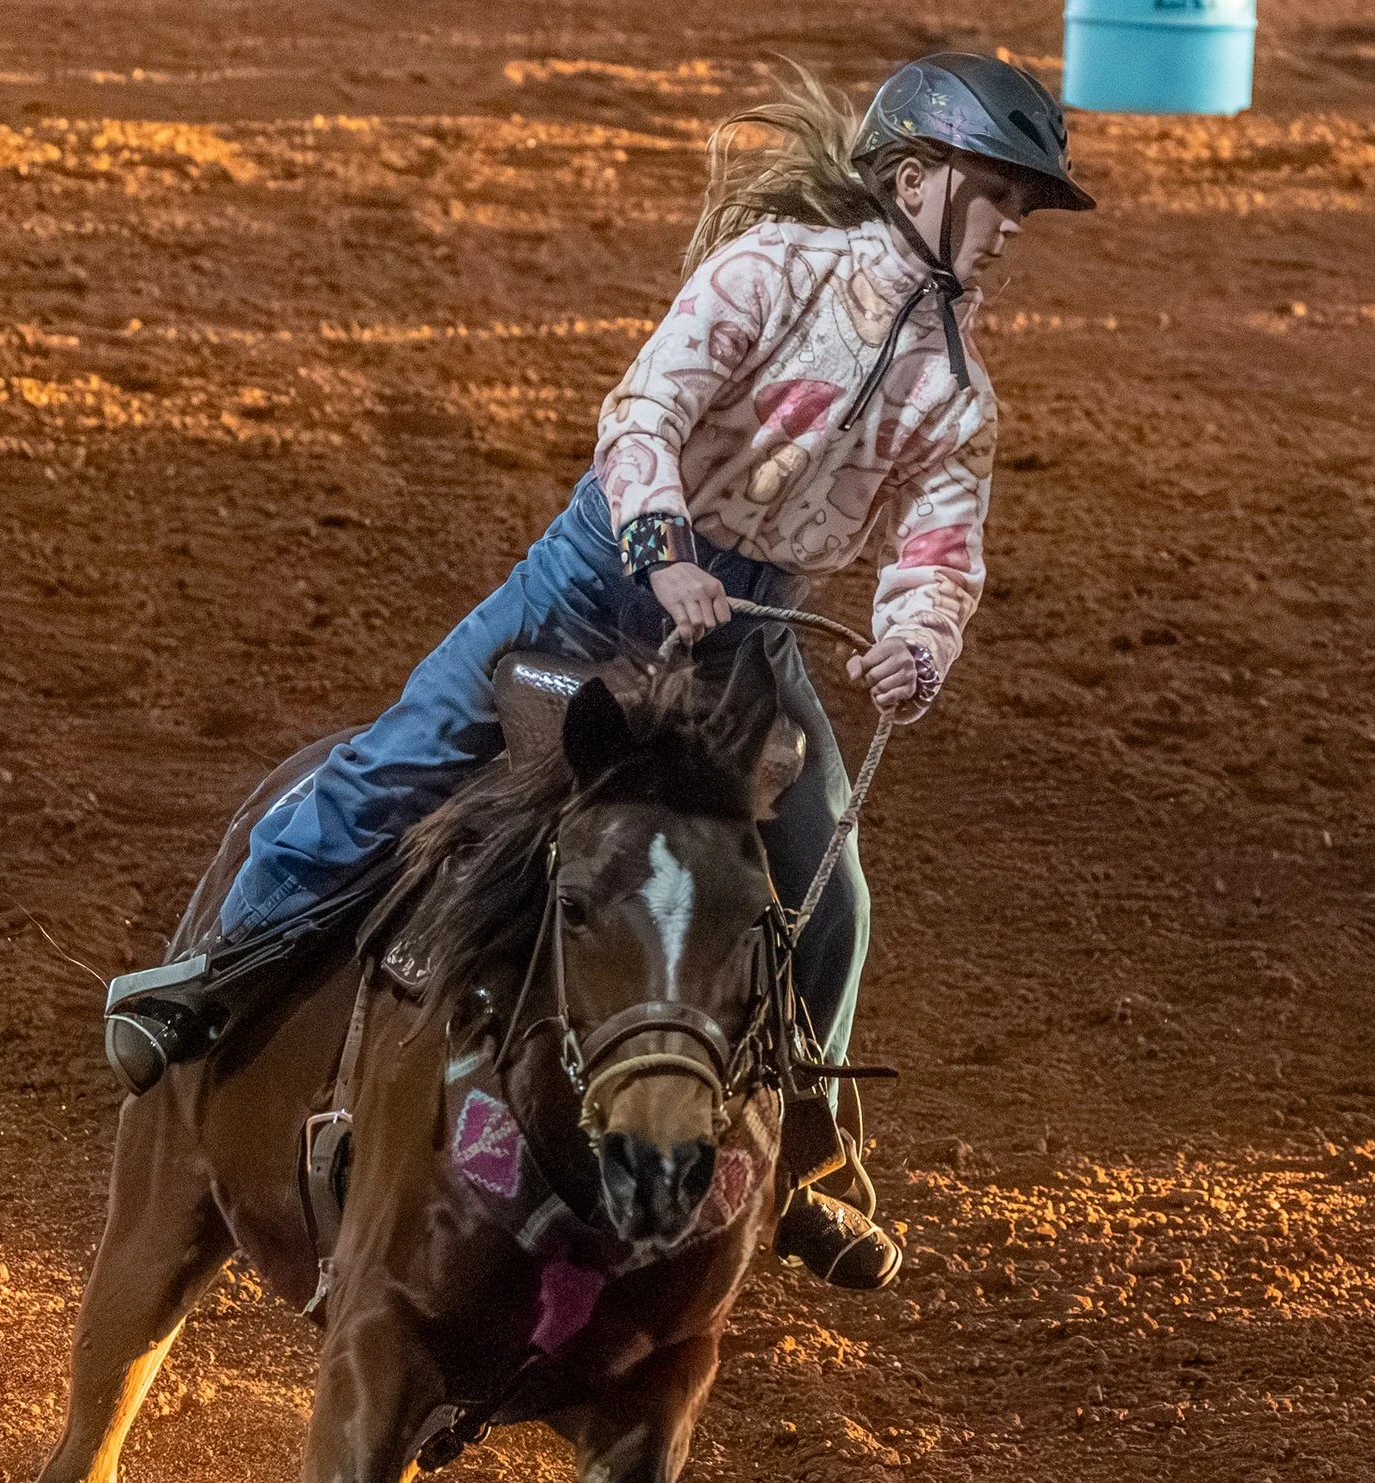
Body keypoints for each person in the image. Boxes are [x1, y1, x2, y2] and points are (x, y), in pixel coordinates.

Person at [100, 54, 1093, 1289]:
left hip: (747, 639)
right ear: (911, 180)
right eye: (995, 193)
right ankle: (213, 987)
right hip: (588, 590)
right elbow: (645, 414)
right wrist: (662, 550)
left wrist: (917, 640)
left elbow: (939, 548)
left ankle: (802, 1160)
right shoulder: (765, 270)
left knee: (828, 894)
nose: (1010, 226)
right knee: (393, 769)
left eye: (1021, 204)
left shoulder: (955, 392)